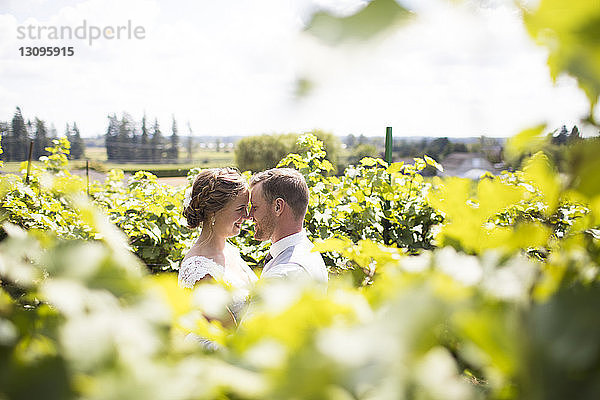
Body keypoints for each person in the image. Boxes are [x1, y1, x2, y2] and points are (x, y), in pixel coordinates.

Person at [178, 167, 258, 326]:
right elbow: (227, 330)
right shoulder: (199, 271)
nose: (247, 216)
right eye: (240, 208)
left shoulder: (229, 251)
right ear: (214, 212)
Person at [249, 168, 328, 284]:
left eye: (255, 207)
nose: (249, 216)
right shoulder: (309, 251)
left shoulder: (282, 274)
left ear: (278, 207)